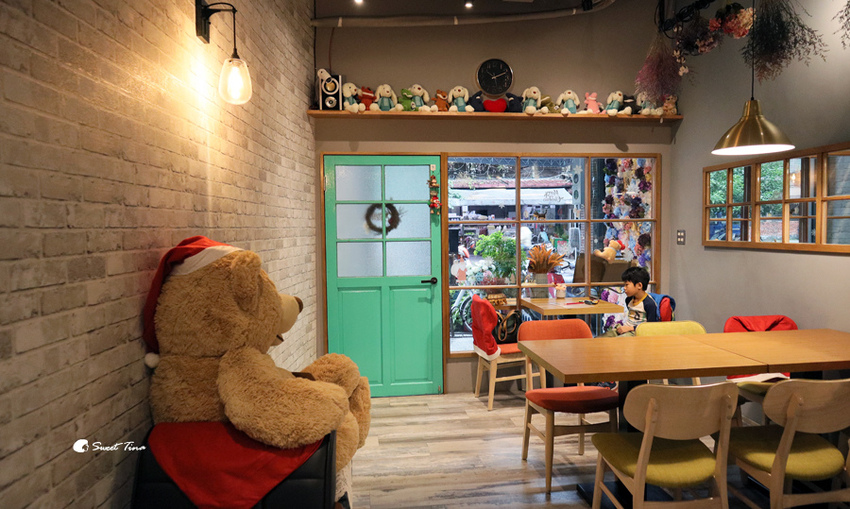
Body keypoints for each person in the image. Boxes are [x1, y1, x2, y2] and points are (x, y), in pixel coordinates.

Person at [602, 266, 658, 337]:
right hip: (625, 329)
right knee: (602, 338)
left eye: (627, 285)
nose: (624, 288)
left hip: (636, 333)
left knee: (617, 341)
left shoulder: (649, 304)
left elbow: (651, 326)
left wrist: (630, 328)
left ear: (639, 285)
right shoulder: (629, 300)